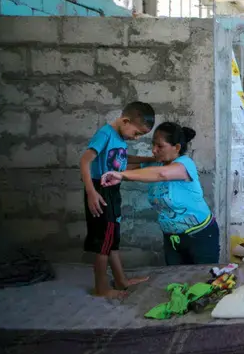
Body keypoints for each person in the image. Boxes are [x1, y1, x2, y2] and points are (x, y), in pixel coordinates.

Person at [101, 122, 220, 266]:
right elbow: (123, 162)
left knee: (204, 279)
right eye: (153, 145)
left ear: (176, 148)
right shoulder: (157, 164)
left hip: (200, 235)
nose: (154, 150)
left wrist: (121, 176)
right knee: (175, 280)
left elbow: (162, 174)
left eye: (160, 146)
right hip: (171, 237)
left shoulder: (184, 164)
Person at [80, 101, 156, 298]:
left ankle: (121, 280)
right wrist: (91, 192)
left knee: (112, 238)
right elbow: (85, 160)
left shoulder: (120, 138)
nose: (136, 138)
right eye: (137, 133)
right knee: (103, 242)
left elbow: (124, 160)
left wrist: (148, 161)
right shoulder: (105, 134)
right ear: (125, 121)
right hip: (99, 191)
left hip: (112, 191)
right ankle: (101, 288)